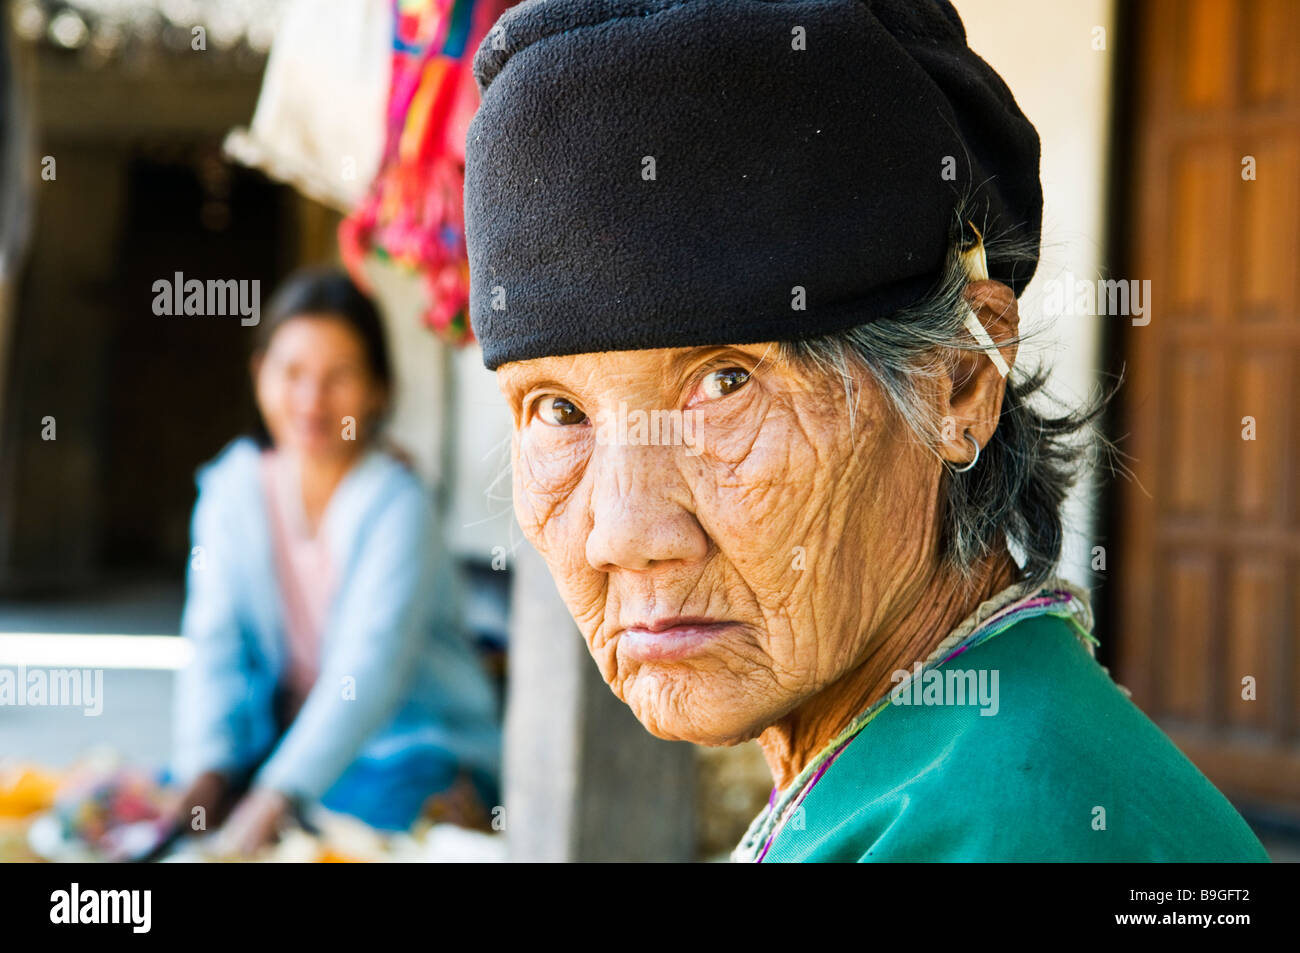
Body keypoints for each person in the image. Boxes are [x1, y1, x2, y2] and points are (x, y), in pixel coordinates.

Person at [460, 0, 1270, 861]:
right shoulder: (916, 767)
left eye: (726, 381)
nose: (624, 533)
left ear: (959, 379)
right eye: (559, 410)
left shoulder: (1011, 828)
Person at [169, 267, 501, 855]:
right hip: (292, 740)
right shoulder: (232, 491)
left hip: (411, 745)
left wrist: (274, 797)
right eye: (291, 373)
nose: (310, 401)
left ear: (378, 390)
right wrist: (207, 774)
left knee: (364, 816)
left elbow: (368, 673)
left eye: (339, 377)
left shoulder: (398, 503)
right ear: (258, 373)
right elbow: (213, 646)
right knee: (172, 796)